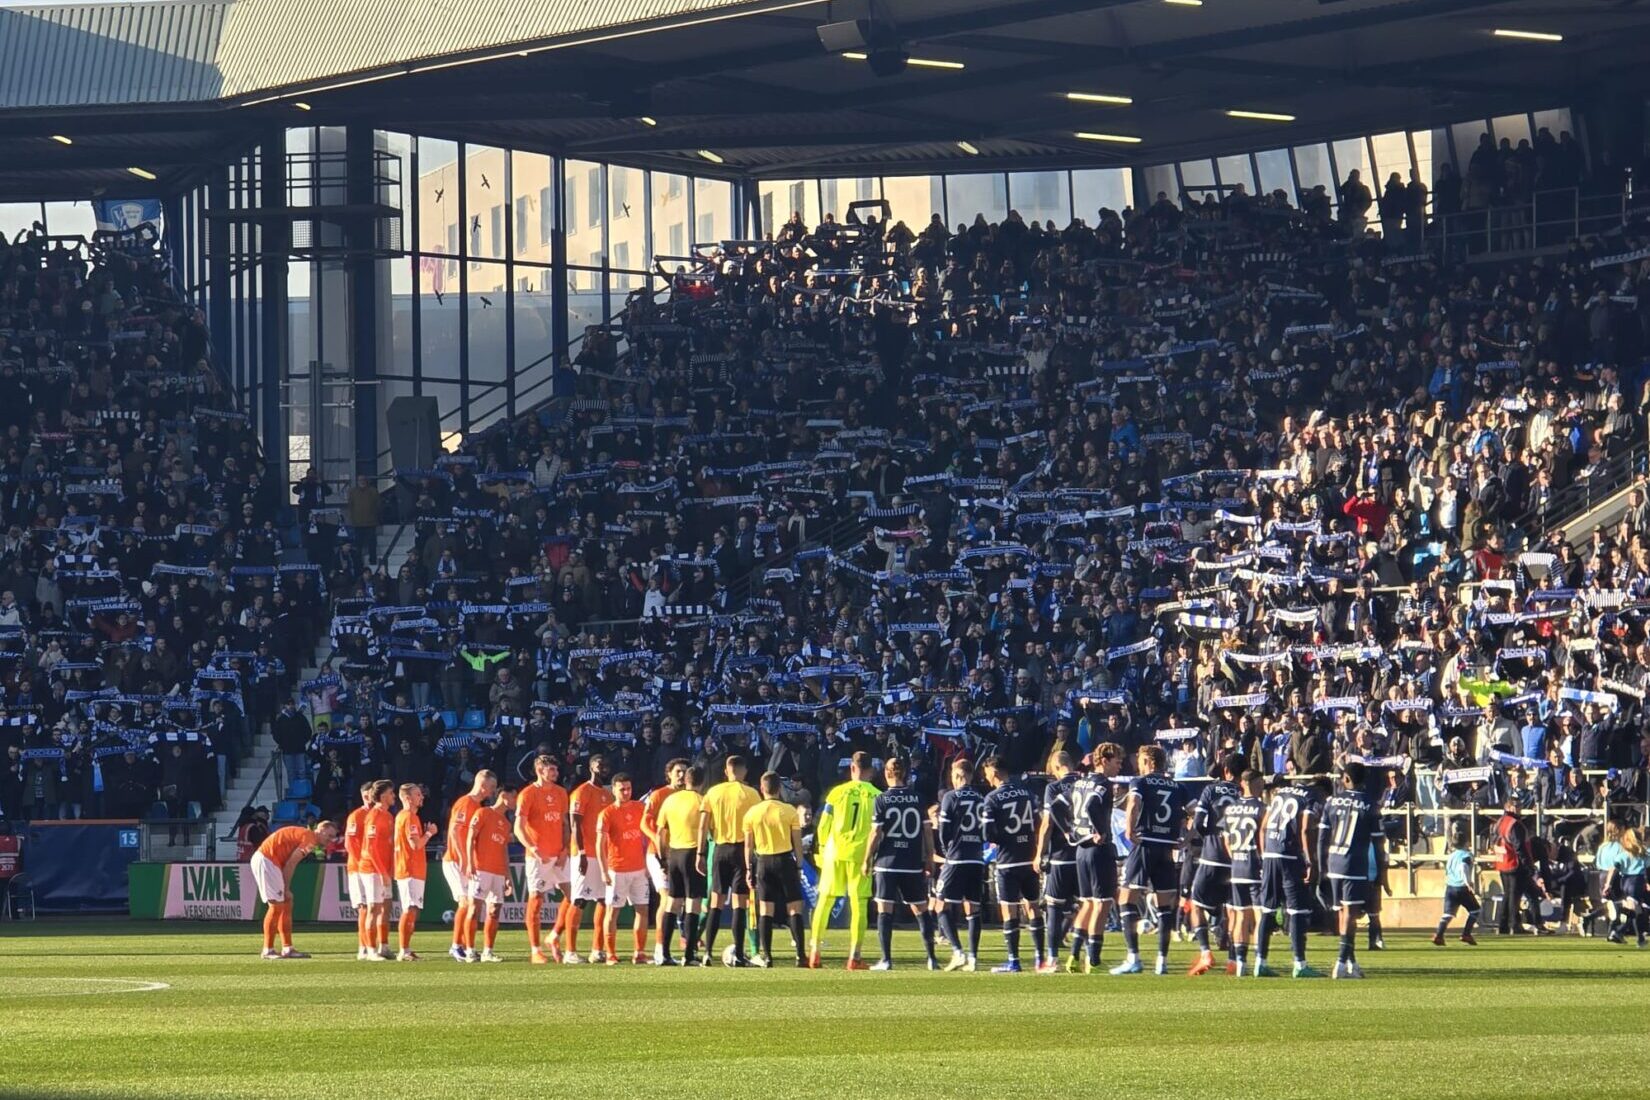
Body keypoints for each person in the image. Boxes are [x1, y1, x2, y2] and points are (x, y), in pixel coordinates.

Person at [1111, 744, 1188, 976]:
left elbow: (1133, 804)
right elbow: (1193, 812)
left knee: (1125, 899)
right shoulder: (1178, 787)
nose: (1138, 765)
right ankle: (1161, 962)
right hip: (1166, 848)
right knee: (1165, 906)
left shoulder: (1140, 783)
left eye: (1141, 761)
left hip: (1144, 844)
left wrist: (1128, 830)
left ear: (1149, 762)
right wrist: (1186, 838)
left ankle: (1133, 958)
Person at [862, 755, 937, 971]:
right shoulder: (918, 798)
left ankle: (886, 959)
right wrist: (930, 857)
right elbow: (927, 832)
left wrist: (867, 858)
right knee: (921, 910)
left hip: (887, 862)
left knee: (885, 910)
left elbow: (876, 832)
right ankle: (931, 958)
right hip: (912, 861)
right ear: (904, 773)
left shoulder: (882, 799)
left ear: (887, 774)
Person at [808, 751, 880, 970]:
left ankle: (815, 952)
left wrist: (821, 849)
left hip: (834, 852)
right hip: (860, 855)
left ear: (852, 768)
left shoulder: (836, 793)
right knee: (859, 904)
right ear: (871, 770)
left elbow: (823, 825)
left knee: (825, 901)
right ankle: (854, 956)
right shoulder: (877, 796)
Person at [981, 754, 1045, 973]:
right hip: (1028, 857)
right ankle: (1040, 959)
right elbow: (1038, 824)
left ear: (995, 771)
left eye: (987, 772)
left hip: (1008, 861)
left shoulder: (992, 798)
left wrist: (1003, 839)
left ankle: (1014, 961)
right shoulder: (1027, 793)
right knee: (1033, 907)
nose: (986, 777)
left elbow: (988, 833)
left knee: (1009, 911)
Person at [1320, 763, 1383, 980]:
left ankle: (1351, 963)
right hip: (1354, 864)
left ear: (1346, 778)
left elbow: (1322, 838)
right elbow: (1378, 842)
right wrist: (1381, 872)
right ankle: (1339, 962)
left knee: (1341, 912)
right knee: (1351, 914)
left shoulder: (1331, 802)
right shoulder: (1369, 804)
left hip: (1334, 863)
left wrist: (1321, 866)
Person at [742, 770, 807, 968]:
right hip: (785, 859)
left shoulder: (752, 813)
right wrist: (799, 864)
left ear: (762, 789)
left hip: (763, 862)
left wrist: (748, 868)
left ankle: (768, 956)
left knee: (765, 910)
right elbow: (797, 842)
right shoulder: (789, 811)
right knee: (794, 908)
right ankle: (800, 956)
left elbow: (748, 846)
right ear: (779, 788)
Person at [700, 755, 760, 966]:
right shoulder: (752, 794)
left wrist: (700, 853)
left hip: (719, 849)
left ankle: (707, 952)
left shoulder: (713, 792)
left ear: (726, 771)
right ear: (744, 771)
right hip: (741, 851)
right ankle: (740, 953)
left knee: (715, 902)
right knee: (739, 904)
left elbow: (703, 824)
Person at [1258, 776, 1319, 978]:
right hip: (1290, 856)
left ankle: (1260, 962)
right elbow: (1304, 829)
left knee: (1267, 908)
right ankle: (1300, 965)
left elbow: (1264, 827)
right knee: (1297, 910)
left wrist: (1264, 854)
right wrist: (1310, 860)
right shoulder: (1311, 796)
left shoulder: (1279, 795)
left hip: (1270, 855)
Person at [1069, 742, 1122, 973]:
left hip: (1080, 848)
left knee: (1088, 903)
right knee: (1102, 904)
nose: (1119, 766)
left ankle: (1073, 957)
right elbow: (1091, 805)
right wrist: (1101, 830)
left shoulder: (1079, 781)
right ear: (1105, 760)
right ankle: (1094, 960)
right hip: (1098, 849)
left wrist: (1070, 830)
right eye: (1117, 761)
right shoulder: (1103, 783)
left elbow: (1062, 806)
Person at [251, 821, 338, 959]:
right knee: (276, 906)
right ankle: (268, 950)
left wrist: (286, 890)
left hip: (269, 860)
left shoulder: (307, 836)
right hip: (267, 860)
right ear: (321, 830)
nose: (331, 840)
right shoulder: (310, 838)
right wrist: (285, 888)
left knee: (286, 903)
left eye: (333, 837)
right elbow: (291, 863)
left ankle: (287, 948)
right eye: (329, 835)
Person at [514, 754, 570, 965]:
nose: (555, 773)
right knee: (536, 899)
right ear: (540, 770)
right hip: (538, 855)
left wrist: (565, 848)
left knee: (575, 898)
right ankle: (535, 949)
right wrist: (532, 847)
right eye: (551, 770)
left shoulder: (561, 793)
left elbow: (565, 823)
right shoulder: (528, 794)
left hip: (559, 854)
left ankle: (554, 935)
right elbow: (518, 827)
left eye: (556, 769)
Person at [1186, 754, 1239, 976]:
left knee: (1196, 904)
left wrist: (1209, 837)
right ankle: (1234, 960)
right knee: (1234, 910)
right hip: (1237, 859)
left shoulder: (1210, 790)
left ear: (1226, 771)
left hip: (1212, 855)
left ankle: (1206, 952)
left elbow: (1198, 823)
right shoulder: (1243, 793)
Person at [933, 756, 986, 972]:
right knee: (973, 908)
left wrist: (947, 852)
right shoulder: (981, 799)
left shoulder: (950, 797)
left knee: (940, 905)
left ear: (957, 776)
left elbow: (944, 832)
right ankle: (973, 958)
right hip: (976, 857)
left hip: (956, 858)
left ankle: (958, 952)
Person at [442, 769, 498, 963]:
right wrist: (464, 859)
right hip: (456, 861)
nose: (492, 792)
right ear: (483, 785)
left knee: (472, 904)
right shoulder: (466, 803)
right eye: (491, 788)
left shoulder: (477, 806)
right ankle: (456, 946)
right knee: (466, 902)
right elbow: (455, 832)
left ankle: (464, 945)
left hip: (467, 861)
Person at [596, 773, 652, 965]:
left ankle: (640, 952)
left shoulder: (640, 808)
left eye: (628, 788)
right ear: (613, 790)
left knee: (642, 909)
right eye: (622, 789)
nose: (626, 792)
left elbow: (647, 834)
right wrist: (604, 871)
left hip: (638, 869)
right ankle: (610, 953)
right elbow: (600, 843)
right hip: (617, 869)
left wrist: (648, 862)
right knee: (613, 912)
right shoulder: (607, 813)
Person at [564, 753, 615, 963]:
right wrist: (582, 853)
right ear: (590, 767)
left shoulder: (609, 795)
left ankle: (597, 949)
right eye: (599, 764)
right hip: (584, 854)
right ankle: (570, 951)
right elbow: (575, 823)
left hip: (603, 856)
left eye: (605, 764)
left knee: (604, 900)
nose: (602, 767)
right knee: (579, 900)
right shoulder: (581, 792)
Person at [656, 763, 708, 966]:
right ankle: (688, 954)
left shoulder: (670, 800)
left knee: (672, 902)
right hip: (693, 853)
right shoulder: (702, 801)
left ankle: (665, 954)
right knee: (693, 904)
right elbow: (708, 829)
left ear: (686, 780)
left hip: (674, 854)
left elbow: (661, 831)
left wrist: (662, 858)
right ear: (702, 782)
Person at [1034, 750, 1080, 974]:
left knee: (1053, 907)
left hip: (1061, 856)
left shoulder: (1052, 788)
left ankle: (1052, 959)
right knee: (1088, 905)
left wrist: (1038, 854)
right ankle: (1084, 955)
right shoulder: (1085, 782)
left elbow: (1047, 824)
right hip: (1083, 854)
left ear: (1056, 766)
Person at [642, 757, 690, 963]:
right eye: (678, 771)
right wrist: (658, 841)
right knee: (667, 897)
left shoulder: (691, 796)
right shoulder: (659, 794)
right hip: (659, 854)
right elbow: (644, 822)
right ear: (669, 774)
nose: (681, 775)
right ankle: (660, 948)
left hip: (681, 852)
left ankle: (683, 944)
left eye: (684, 772)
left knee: (682, 901)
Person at [462, 787, 516, 962]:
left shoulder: (507, 823)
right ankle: (470, 950)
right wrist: (470, 862)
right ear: (504, 795)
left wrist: (508, 875)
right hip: (481, 868)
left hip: (498, 871)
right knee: (474, 908)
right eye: (514, 796)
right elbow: (470, 837)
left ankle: (488, 951)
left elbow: (504, 850)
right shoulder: (483, 812)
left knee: (494, 910)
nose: (516, 801)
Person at [1221, 770, 1267, 976]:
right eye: (1260, 783)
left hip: (1237, 868)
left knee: (1240, 916)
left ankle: (1240, 963)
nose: (1262, 787)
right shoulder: (1262, 808)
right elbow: (1264, 837)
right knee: (1259, 916)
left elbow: (1227, 840)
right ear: (1252, 783)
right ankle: (1259, 962)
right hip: (1255, 867)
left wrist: (1235, 858)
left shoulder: (1231, 809)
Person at [393, 782, 438, 961]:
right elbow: (415, 844)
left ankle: (406, 949)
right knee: (410, 908)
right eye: (418, 794)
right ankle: (403, 950)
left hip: (413, 869)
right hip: (409, 868)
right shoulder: (409, 817)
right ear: (407, 798)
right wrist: (429, 833)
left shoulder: (405, 817)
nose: (422, 797)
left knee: (413, 909)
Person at [1494, 798, 1547, 935]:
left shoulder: (1500, 821)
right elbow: (1520, 847)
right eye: (1517, 806)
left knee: (1508, 895)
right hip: (1514, 863)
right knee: (1514, 896)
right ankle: (1515, 925)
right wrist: (1529, 866)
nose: (1519, 809)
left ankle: (1503, 925)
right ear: (1510, 807)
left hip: (1502, 862)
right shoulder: (1514, 824)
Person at [359, 779, 397, 961]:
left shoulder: (388, 816)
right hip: (372, 868)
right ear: (383, 796)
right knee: (373, 908)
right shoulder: (374, 816)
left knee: (386, 907)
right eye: (391, 793)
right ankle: (370, 950)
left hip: (384, 868)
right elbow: (371, 848)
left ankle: (384, 945)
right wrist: (382, 872)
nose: (394, 796)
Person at [1432, 821, 1481, 946]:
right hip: (1461, 887)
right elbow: (1463, 867)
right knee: (1475, 910)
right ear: (1467, 842)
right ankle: (1466, 934)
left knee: (1448, 914)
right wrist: (1468, 882)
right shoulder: (1467, 855)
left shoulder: (1451, 855)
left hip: (1450, 887)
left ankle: (1439, 934)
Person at [343, 781, 375, 961]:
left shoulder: (380, 815)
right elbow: (350, 843)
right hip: (358, 868)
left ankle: (374, 944)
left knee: (374, 907)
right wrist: (361, 863)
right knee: (364, 908)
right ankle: (363, 946)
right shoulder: (356, 816)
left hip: (374, 868)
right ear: (365, 795)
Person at [1599, 825, 1648, 947]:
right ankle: (1619, 930)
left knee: (1638, 911)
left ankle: (1640, 939)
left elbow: (1614, 869)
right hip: (1636, 882)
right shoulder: (1643, 855)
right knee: (1635, 911)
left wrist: (1608, 885)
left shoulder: (1623, 854)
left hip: (1624, 881)